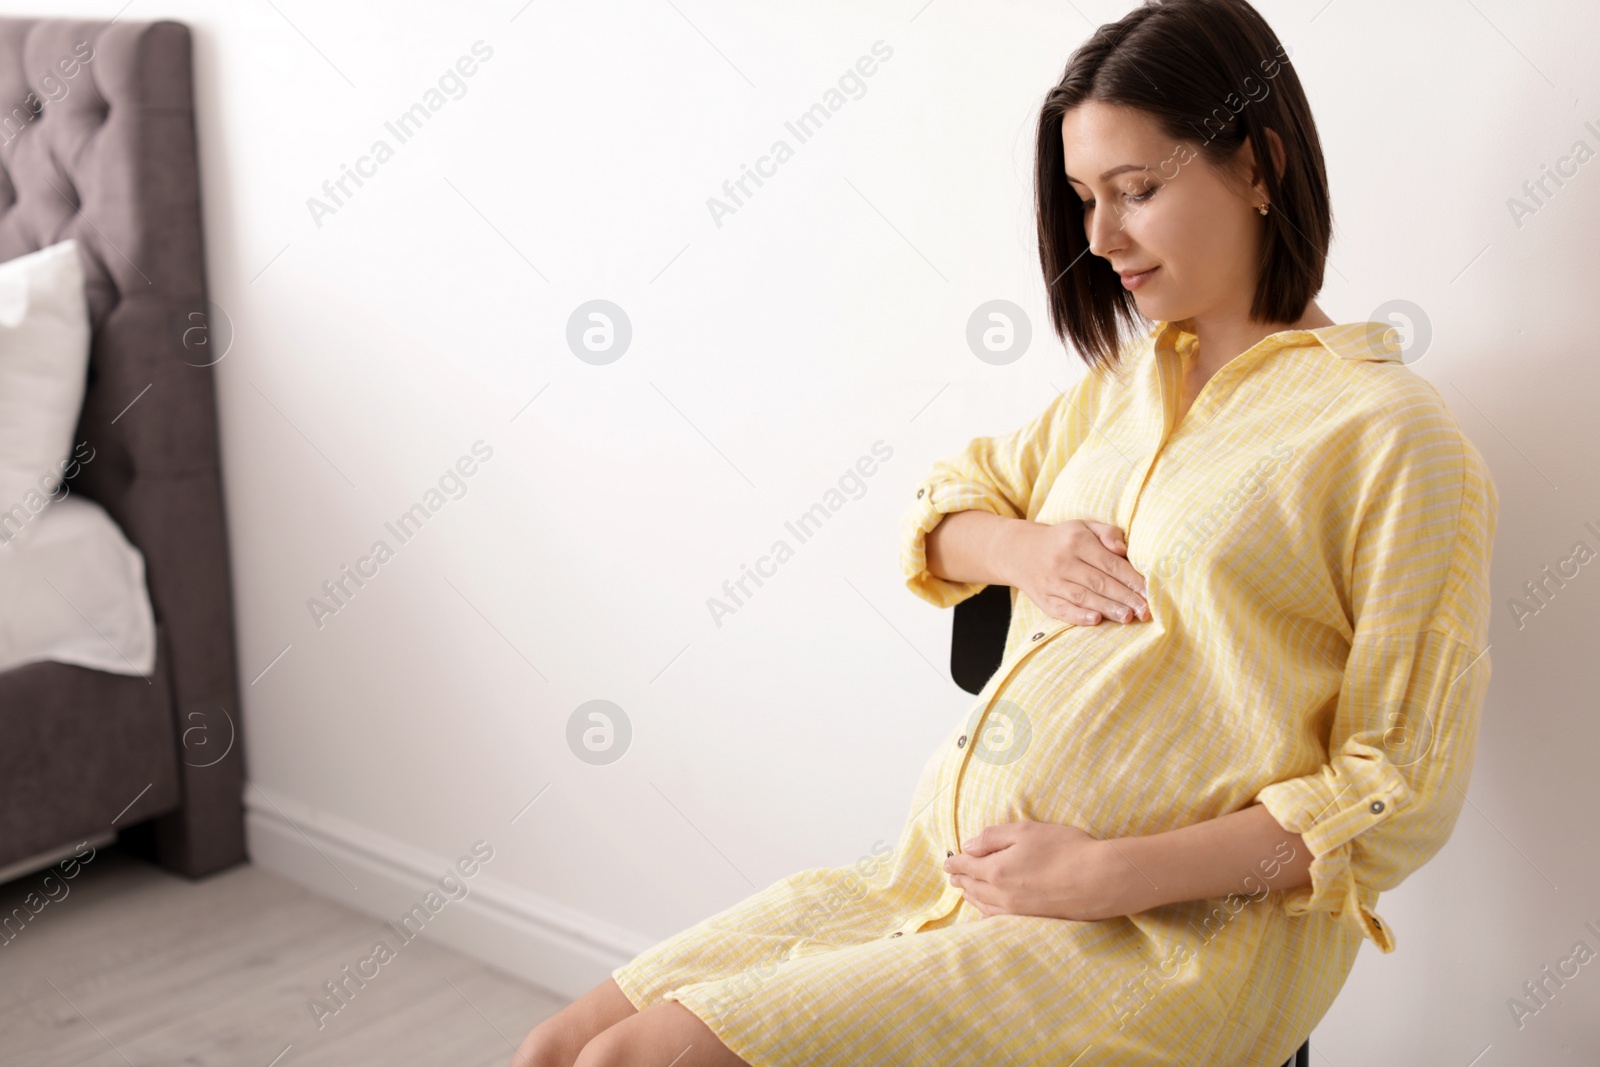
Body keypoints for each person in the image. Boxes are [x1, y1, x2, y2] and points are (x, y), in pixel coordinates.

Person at [512, 1, 1498, 1063]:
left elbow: (1394, 789)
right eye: (1083, 199)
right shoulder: (1123, 386)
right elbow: (938, 513)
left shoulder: (1391, 435)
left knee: (636, 1059)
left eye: (1137, 191)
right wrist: (1027, 548)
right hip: (934, 873)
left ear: (1258, 167)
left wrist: (1103, 875)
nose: (1099, 237)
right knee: (560, 1043)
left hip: (1161, 944)